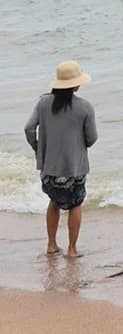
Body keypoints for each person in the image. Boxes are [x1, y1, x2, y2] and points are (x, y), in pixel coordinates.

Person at [24, 60, 98, 258]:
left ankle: (51, 245)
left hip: (49, 168)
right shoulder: (85, 107)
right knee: (75, 204)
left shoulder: (43, 103)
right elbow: (91, 138)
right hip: (75, 167)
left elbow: (28, 128)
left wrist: (39, 148)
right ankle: (72, 249)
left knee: (54, 202)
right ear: (76, 84)